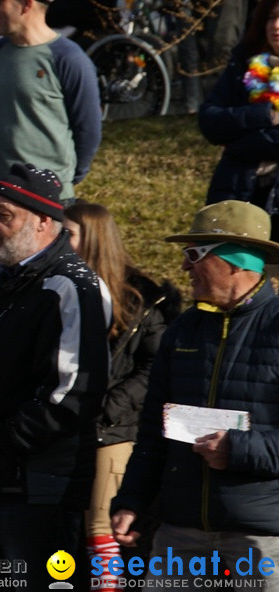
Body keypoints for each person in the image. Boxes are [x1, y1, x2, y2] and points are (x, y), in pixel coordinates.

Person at [0, 163, 109, 589]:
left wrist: (5, 439)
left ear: (42, 222)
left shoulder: (71, 287)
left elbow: (72, 392)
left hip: (35, 488)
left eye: (5, 215)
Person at [111, 201, 279, 588]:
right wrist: (132, 500)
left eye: (193, 255)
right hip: (180, 533)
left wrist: (238, 450)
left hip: (260, 540)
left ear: (237, 262)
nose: (184, 267)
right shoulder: (183, 330)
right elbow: (154, 429)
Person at [64, 202, 180, 588]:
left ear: (93, 240)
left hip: (113, 431)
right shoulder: (62, 286)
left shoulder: (142, 298)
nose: (61, 243)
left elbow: (155, 366)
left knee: (102, 528)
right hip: (69, 428)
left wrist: (108, 406)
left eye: (69, 235)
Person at [0, 0, 103, 201]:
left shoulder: (68, 59)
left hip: (50, 197)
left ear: (27, 3)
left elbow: (88, 129)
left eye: (0, 1)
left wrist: (64, 178)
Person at [199, 0, 279, 231]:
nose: (275, 25)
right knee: (233, 268)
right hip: (237, 194)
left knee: (274, 268)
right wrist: (265, 115)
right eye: (272, 17)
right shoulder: (244, 66)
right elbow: (210, 121)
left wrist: (236, 144)